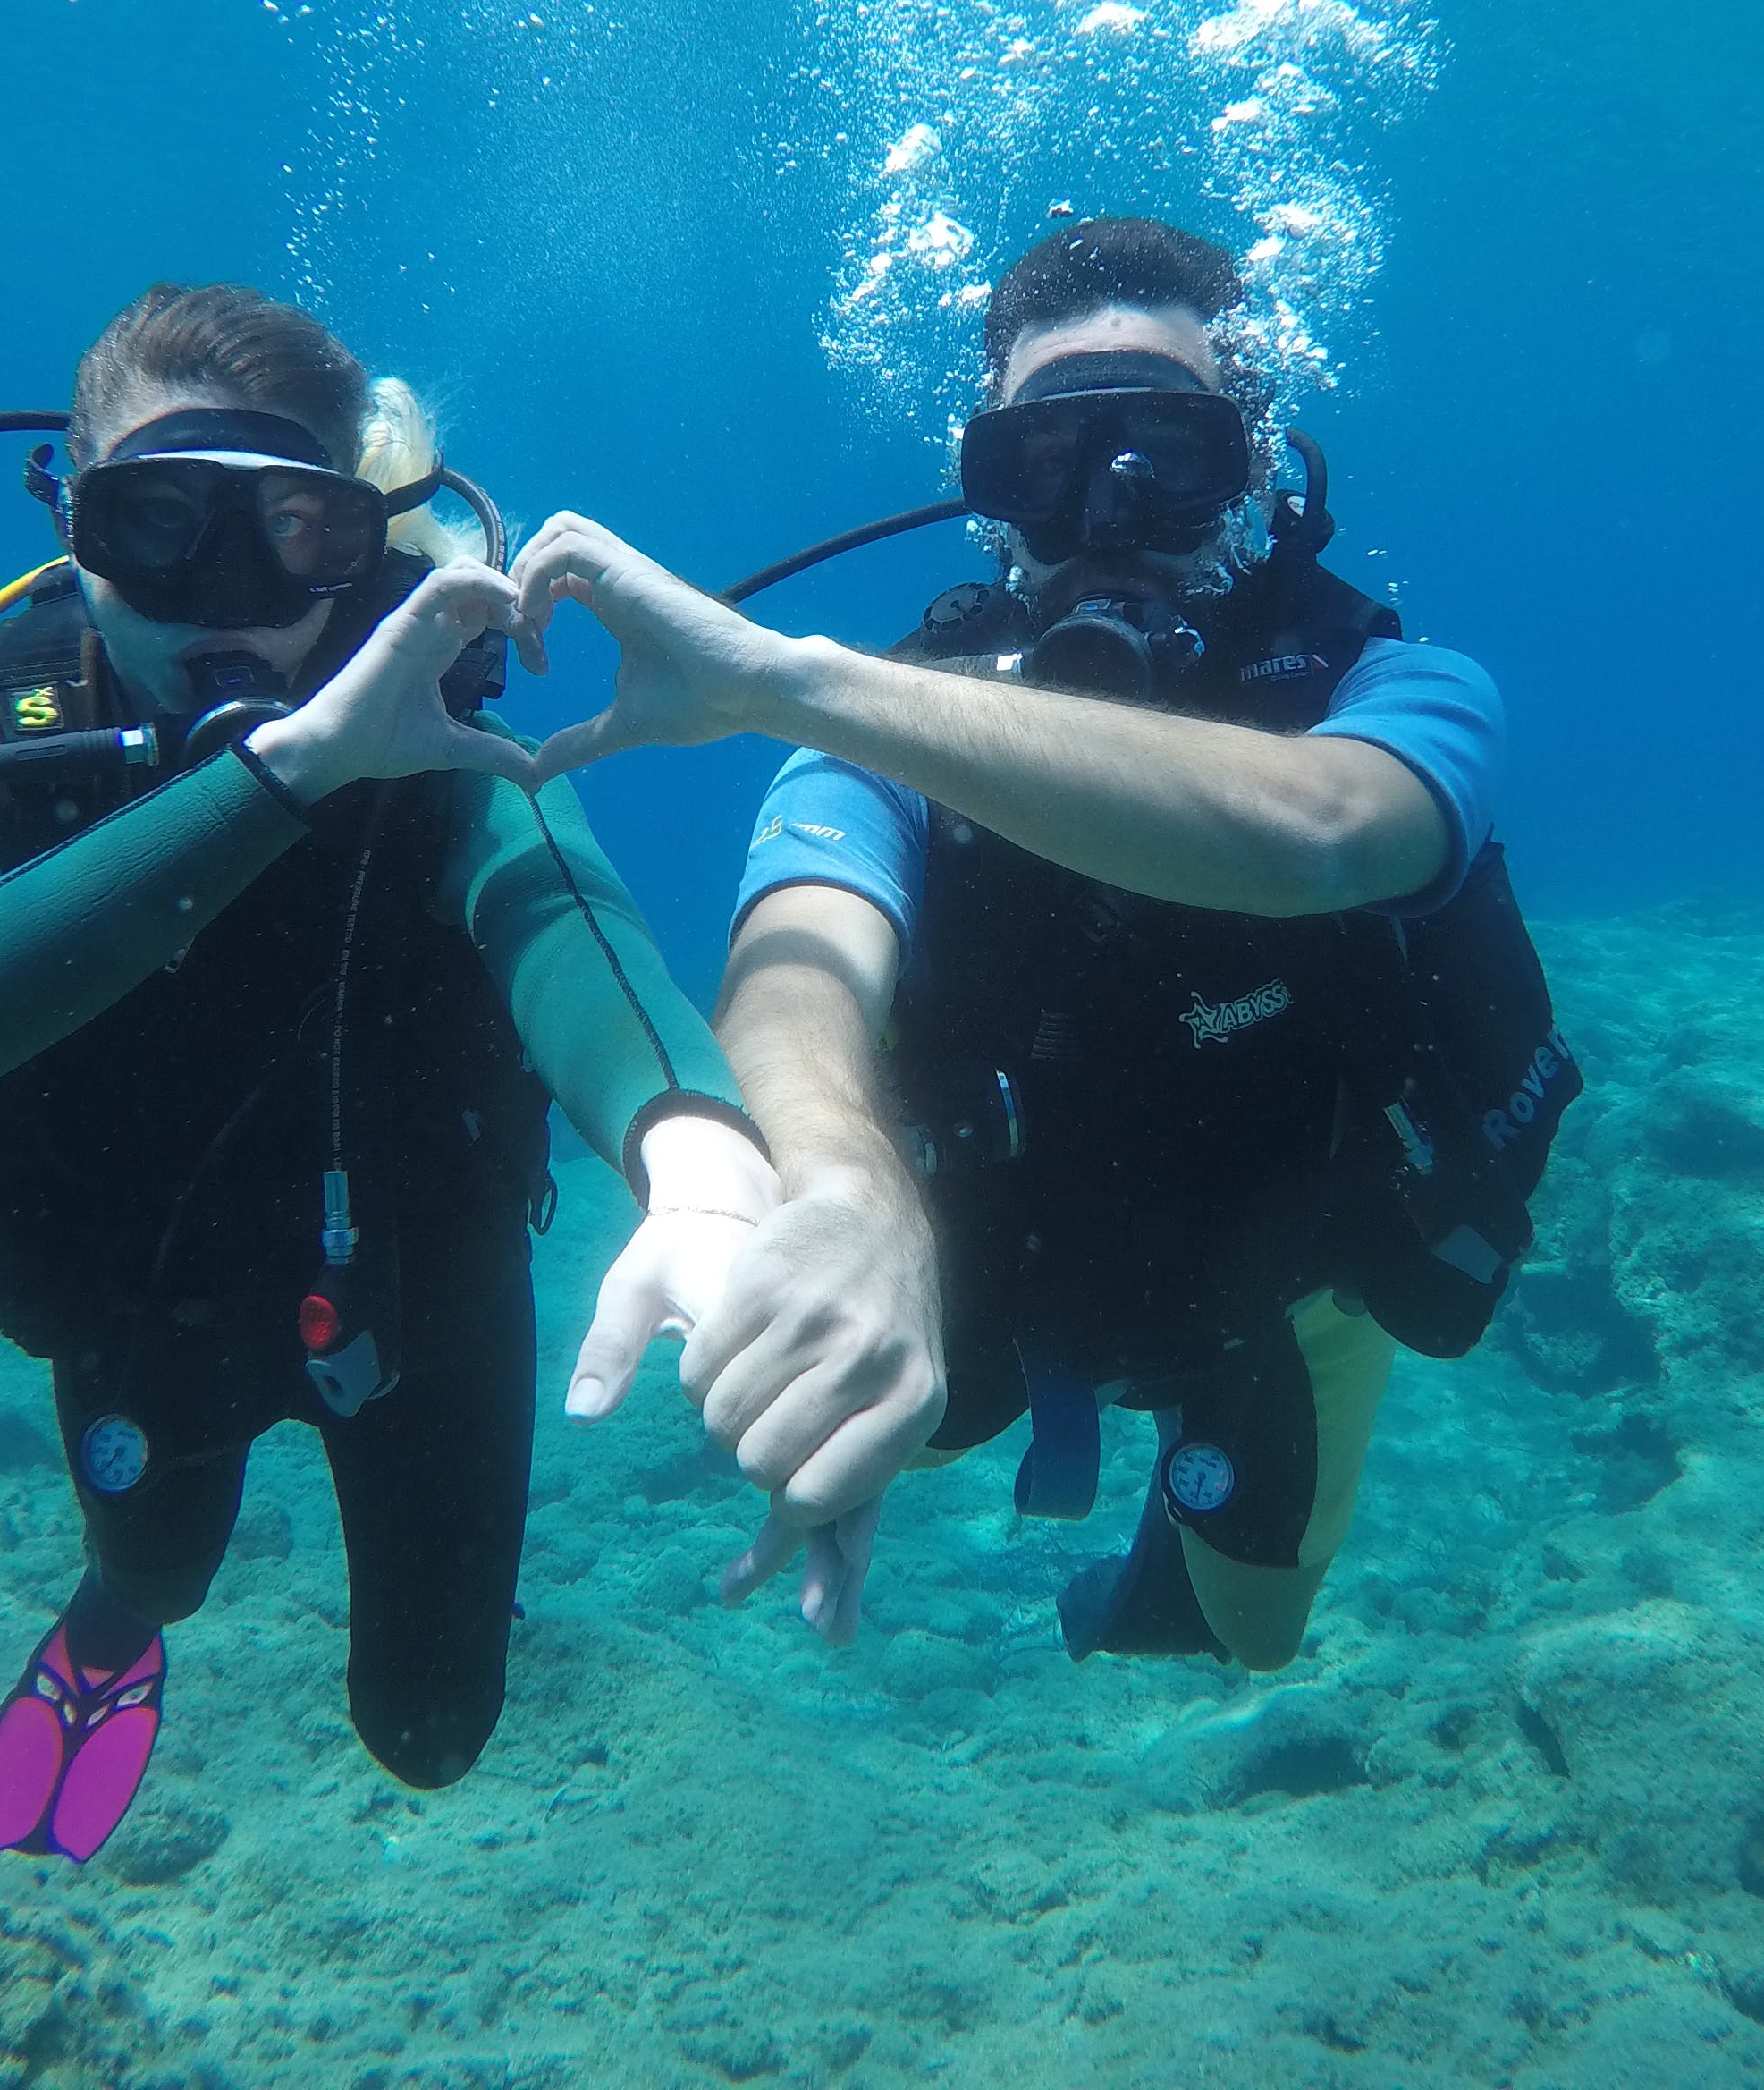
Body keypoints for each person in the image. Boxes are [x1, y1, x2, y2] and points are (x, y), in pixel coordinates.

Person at [525, 216, 1580, 1669]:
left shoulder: (1394, 686)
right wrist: (843, 1191)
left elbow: (1325, 829)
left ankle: (1172, 1541)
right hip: (997, 1259)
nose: (1107, 509)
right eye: (1050, 460)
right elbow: (793, 971)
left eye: (1169, 450)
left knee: (1254, 1638)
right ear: (989, 495)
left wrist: (791, 683)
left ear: (1255, 465)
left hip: (1293, 1277)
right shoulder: (880, 723)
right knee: (897, 1417)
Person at [0, 282, 778, 1858]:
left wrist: (696, 1148)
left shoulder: (438, 738)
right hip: (144, 1291)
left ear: (361, 539)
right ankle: (110, 1647)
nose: (229, 597)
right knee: (154, 1570)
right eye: (158, 525)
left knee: (432, 1728)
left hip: (417, 1292)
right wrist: (296, 765)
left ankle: (204, 1637)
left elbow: (558, 900)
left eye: (291, 533)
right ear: (73, 524)